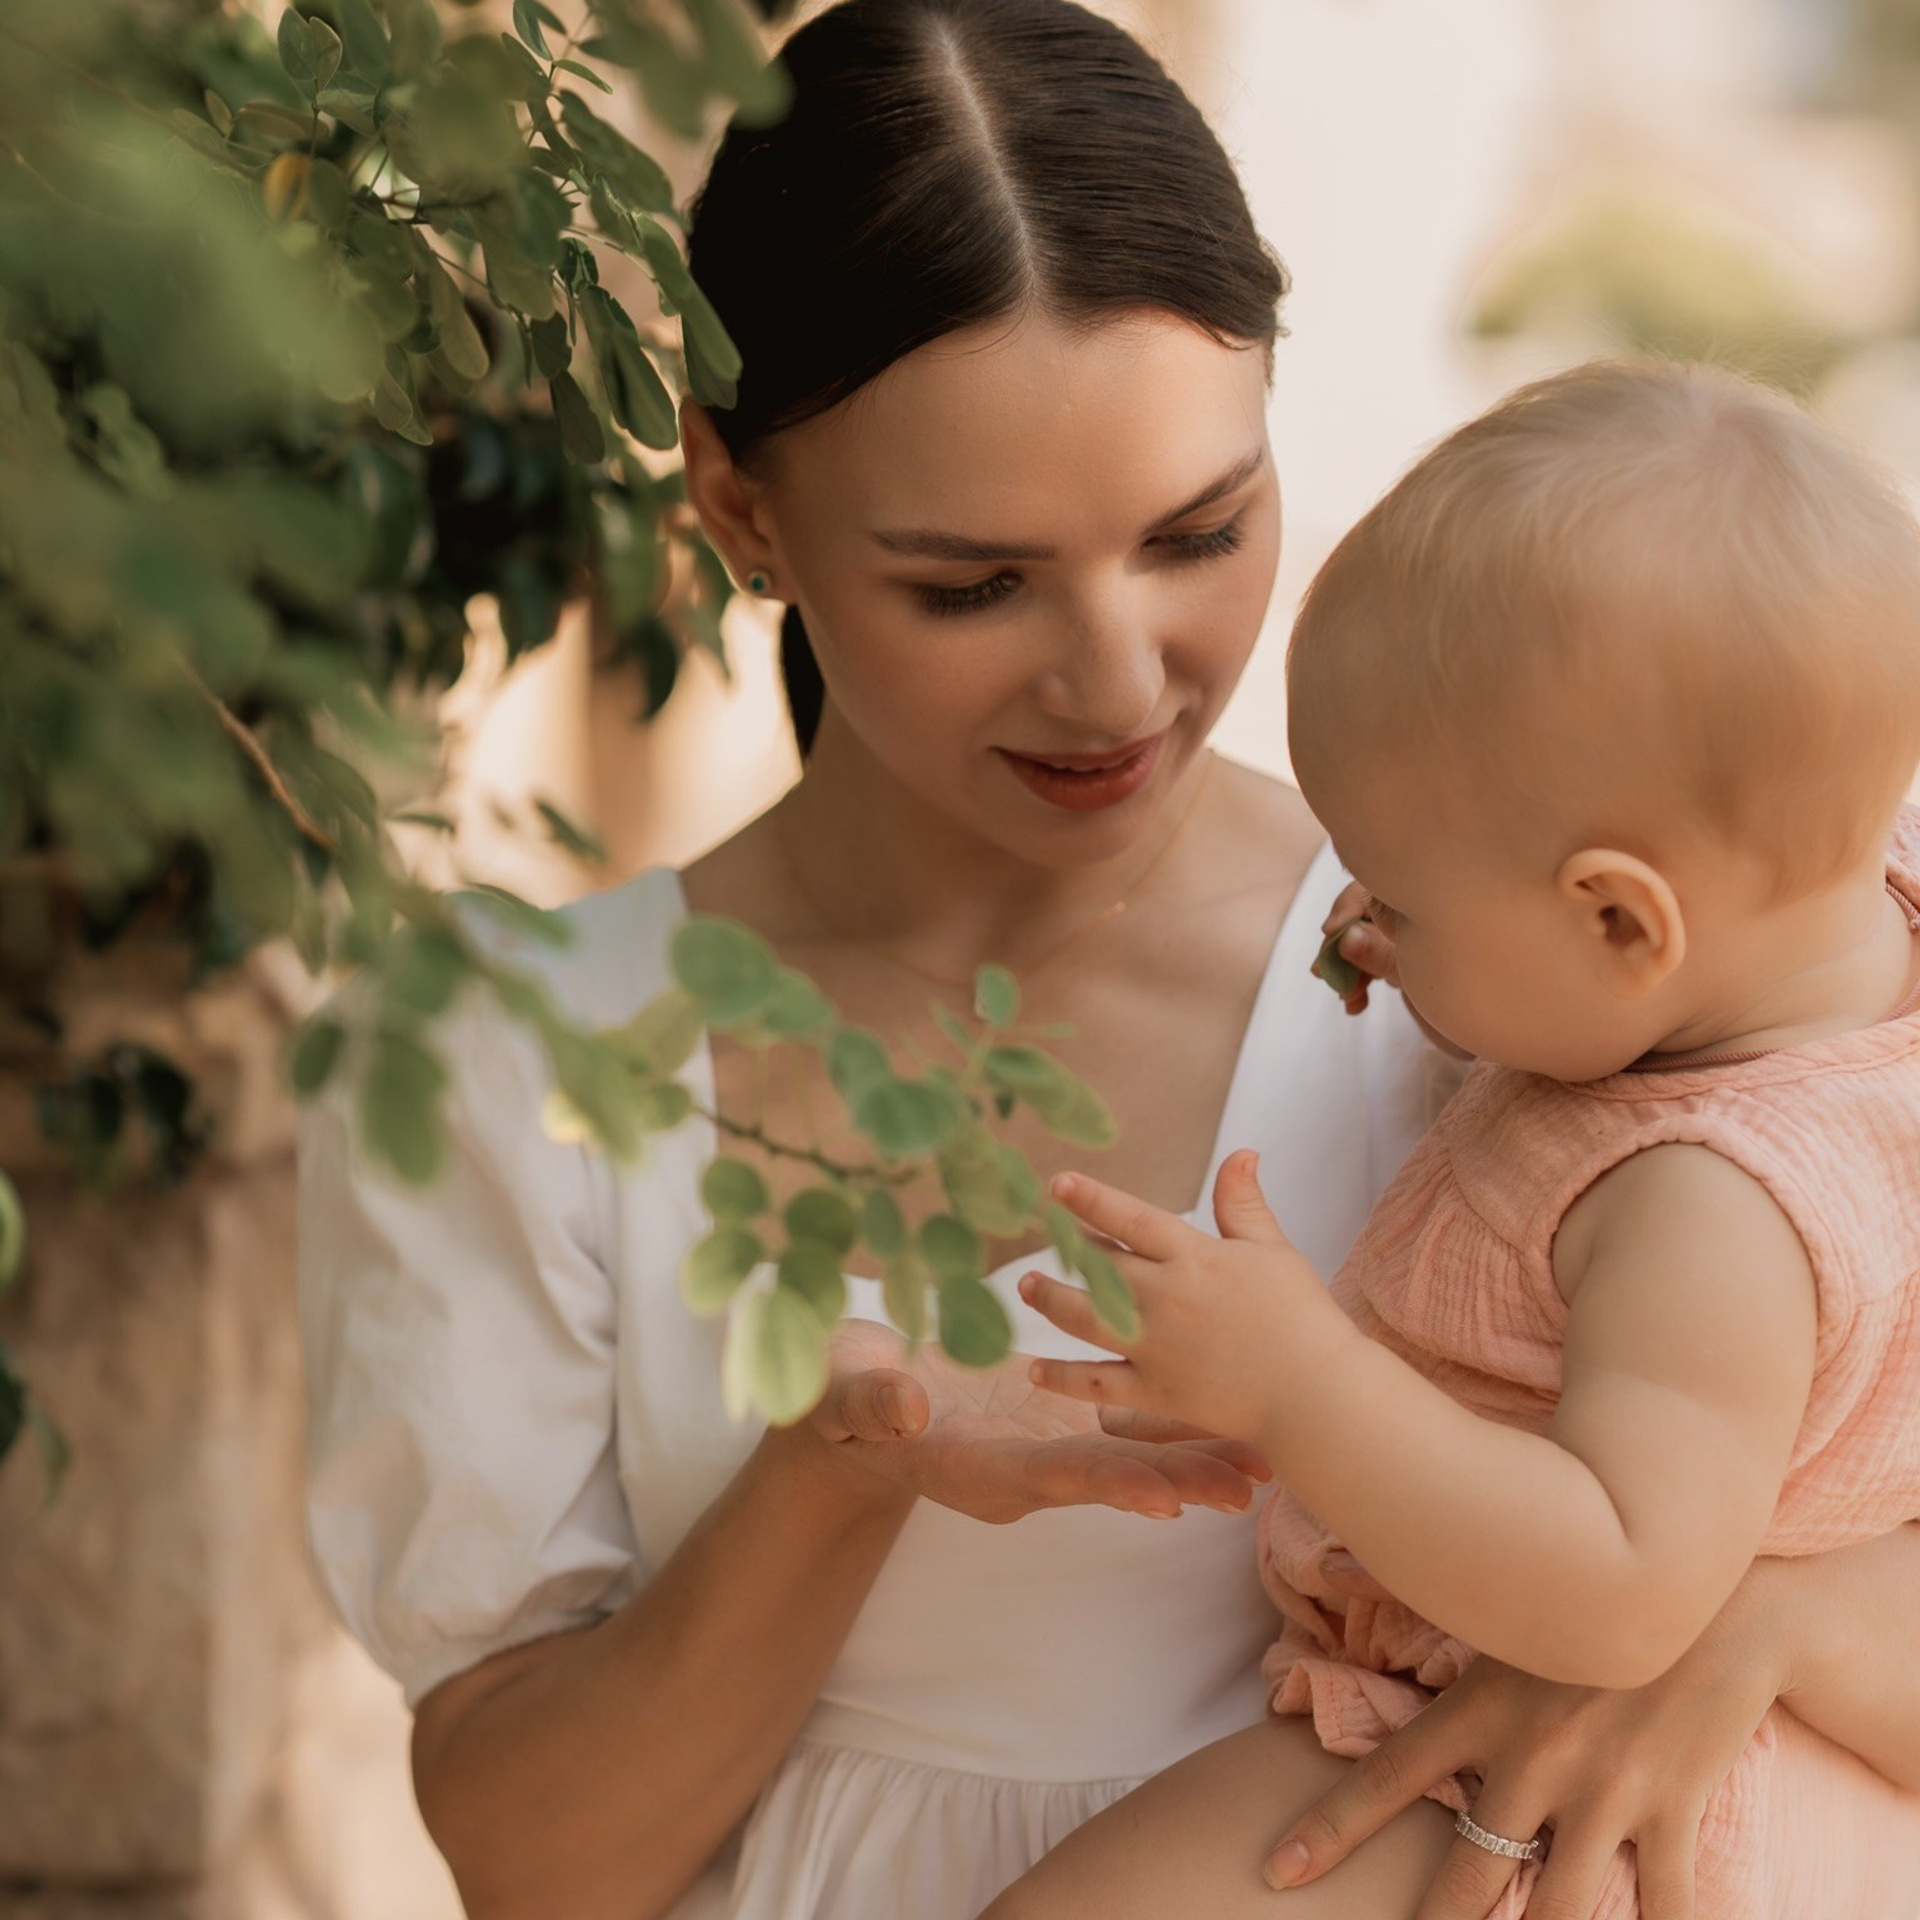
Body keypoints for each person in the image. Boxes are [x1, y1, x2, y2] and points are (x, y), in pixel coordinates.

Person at [296, 6, 1920, 1918]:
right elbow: (534, 1869)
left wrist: (1765, 1636)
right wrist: (847, 1464)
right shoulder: (511, 1051)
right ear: (739, 504)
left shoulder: (1538, 971)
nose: (1119, 677)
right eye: (970, 582)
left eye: (1197, 532)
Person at [987, 362, 1920, 1919]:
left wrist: (1298, 1385)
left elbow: (1621, 1584)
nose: (1374, 930)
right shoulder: (1827, 907)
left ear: (1621, 916)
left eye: (1402, 896)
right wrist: (1459, 945)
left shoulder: (1707, 1206)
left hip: (1530, 1772)